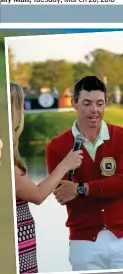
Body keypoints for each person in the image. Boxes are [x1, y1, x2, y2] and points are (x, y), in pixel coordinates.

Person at [45, 76, 123, 271]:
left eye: (100, 103)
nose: (95, 110)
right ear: (74, 103)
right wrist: (108, 186)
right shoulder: (56, 147)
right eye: (87, 103)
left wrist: (81, 188)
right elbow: (64, 194)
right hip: (83, 243)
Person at [10, 82, 83, 274]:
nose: (23, 111)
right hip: (14, 244)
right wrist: (64, 165)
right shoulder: (4, 158)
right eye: (21, 106)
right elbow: (37, 195)